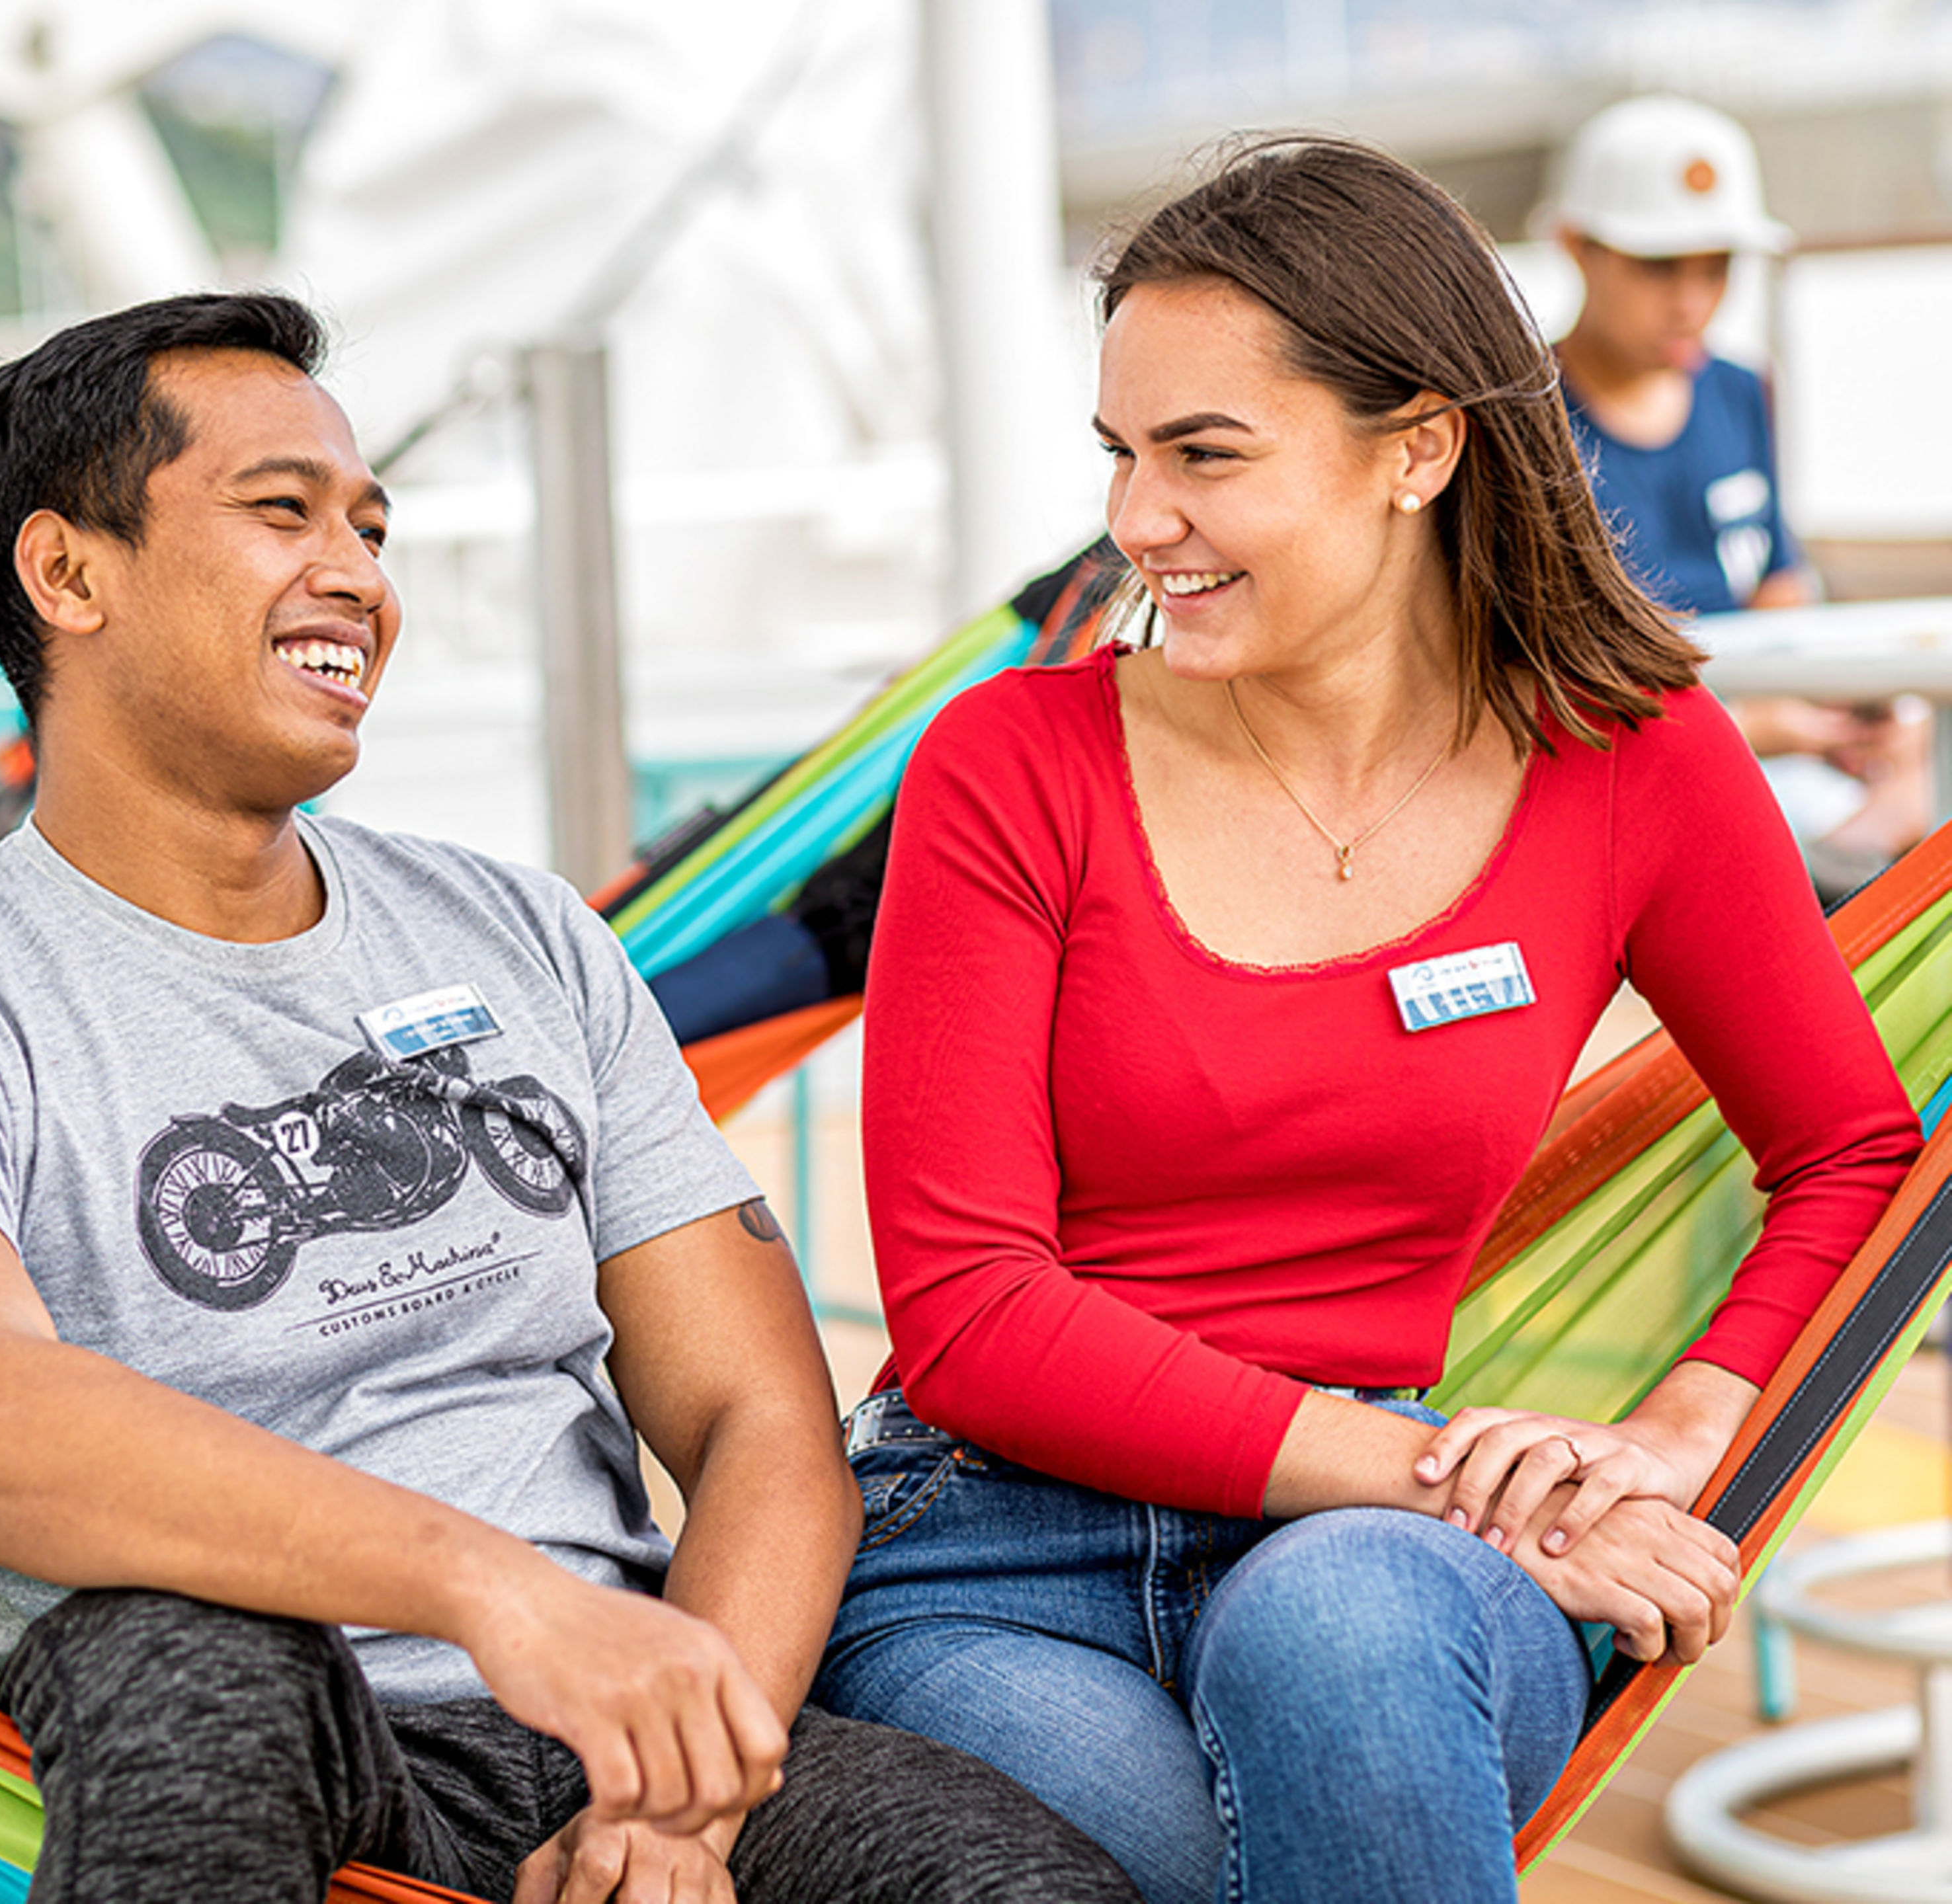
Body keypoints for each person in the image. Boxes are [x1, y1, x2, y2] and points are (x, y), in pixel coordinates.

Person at [0, 292, 1136, 1904]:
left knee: (1015, 1881)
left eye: (370, 527)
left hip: (604, 1715)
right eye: (283, 512)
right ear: (67, 573)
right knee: (178, 1649)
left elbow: (759, 1418)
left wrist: (677, 1786)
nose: (357, 578)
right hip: (224, 1738)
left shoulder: (524, 934)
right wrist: (489, 1590)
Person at [813, 136, 1920, 1904]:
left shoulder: (1628, 761)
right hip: (999, 1556)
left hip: (1384, 1568)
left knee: (1342, 1630)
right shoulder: (1013, 765)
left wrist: (1674, 1440)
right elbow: (970, 1316)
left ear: (1420, 447)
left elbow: (1858, 1149)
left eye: (1203, 456)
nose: (1134, 523)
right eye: (1120, 455)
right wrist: (1459, 1481)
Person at [1547, 95, 1930, 895]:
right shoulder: (1531, 425)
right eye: (1660, 266)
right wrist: (1762, 725)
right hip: (1628, 765)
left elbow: (1779, 584)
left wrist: (1843, 711)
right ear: (1577, 249)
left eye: (1716, 265)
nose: (1692, 298)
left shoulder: (1738, 389)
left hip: (1761, 740)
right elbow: (1553, 680)